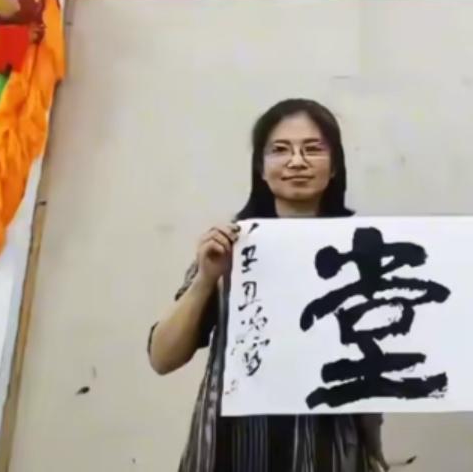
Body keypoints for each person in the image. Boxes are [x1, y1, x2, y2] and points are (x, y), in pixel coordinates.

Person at [147, 99, 387, 472]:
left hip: (329, 448)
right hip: (232, 449)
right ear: (260, 168)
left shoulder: (362, 254)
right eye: (280, 150)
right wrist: (207, 280)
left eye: (313, 149)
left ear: (335, 166)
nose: (296, 161)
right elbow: (162, 358)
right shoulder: (230, 247)